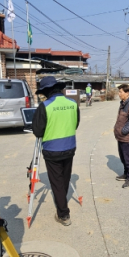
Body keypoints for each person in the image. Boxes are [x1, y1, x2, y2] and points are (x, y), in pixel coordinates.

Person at [32, 76, 80, 226]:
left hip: (52, 149)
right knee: (64, 178)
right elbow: (76, 123)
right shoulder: (72, 103)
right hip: (69, 146)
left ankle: (63, 214)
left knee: (57, 182)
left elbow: (38, 131)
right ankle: (62, 201)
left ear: (47, 91)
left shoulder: (45, 106)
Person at [113, 84, 129, 188]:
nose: (119, 94)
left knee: (128, 158)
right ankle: (126, 173)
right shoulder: (123, 103)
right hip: (120, 137)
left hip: (126, 137)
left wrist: (123, 131)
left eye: (121, 92)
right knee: (123, 157)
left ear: (127, 93)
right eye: (119, 92)